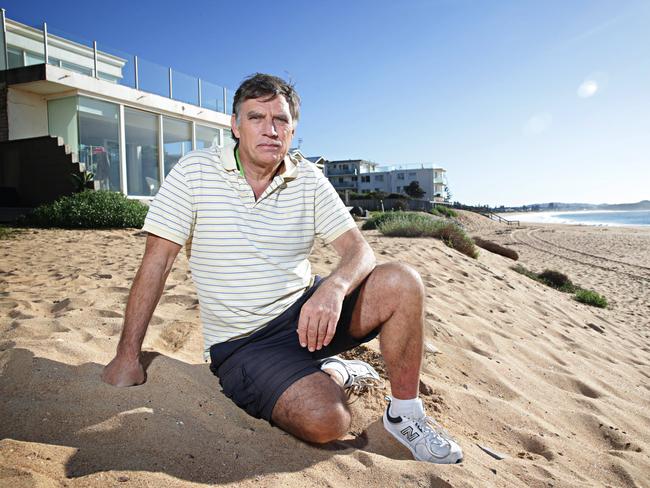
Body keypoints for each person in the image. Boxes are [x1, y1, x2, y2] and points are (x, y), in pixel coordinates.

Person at [102, 73, 463, 464]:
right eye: (256, 117)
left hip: (309, 314)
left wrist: (334, 288)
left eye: (281, 121)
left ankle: (404, 415)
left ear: (293, 130)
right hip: (245, 343)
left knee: (402, 281)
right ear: (235, 126)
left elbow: (359, 251)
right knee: (328, 421)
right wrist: (127, 356)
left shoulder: (307, 176)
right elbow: (156, 263)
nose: (270, 130)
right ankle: (330, 372)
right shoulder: (194, 173)